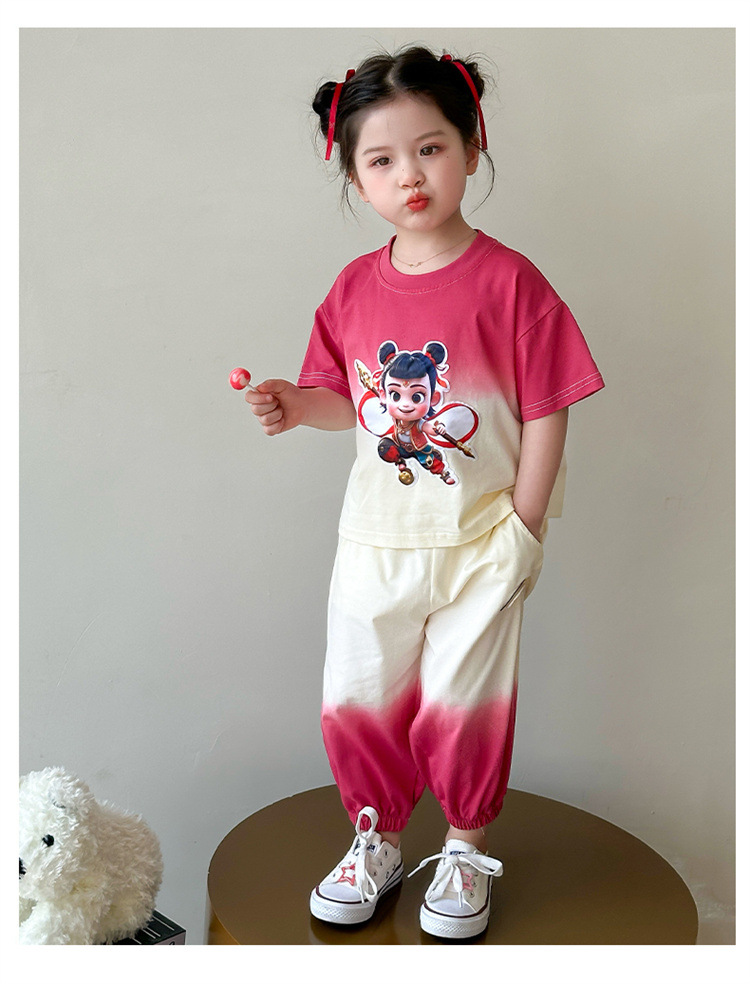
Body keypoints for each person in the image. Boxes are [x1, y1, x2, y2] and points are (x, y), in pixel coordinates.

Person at [244, 45, 604, 940]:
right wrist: (295, 404)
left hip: (482, 542)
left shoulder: (511, 283)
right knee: (361, 693)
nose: (410, 175)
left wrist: (524, 527)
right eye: (382, 159)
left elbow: (550, 406)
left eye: (431, 149)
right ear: (355, 178)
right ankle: (375, 838)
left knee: (466, 701)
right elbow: (347, 401)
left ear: (472, 149)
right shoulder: (351, 290)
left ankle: (464, 848)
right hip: (375, 541)